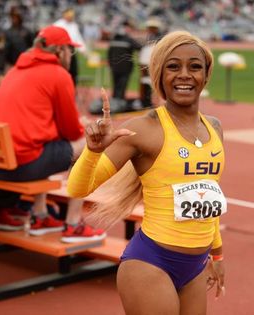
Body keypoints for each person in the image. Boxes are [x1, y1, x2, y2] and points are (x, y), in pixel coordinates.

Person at [67, 30, 226, 314]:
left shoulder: (214, 127)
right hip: (151, 263)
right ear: (159, 75)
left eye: (195, 66)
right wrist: (92, 150)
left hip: (196, 266)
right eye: (173, 66)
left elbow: (208, 196)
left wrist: (218, 254)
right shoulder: (144, 129)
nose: (185, 75)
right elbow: (78, 189)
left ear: (206, 74)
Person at [0, 25, 105, 242]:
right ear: (59, 51)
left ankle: (40, 215)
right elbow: (71, 131)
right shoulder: (58, 74)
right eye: (70, 50)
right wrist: (82, 124)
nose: (71, 55)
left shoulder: (15, 71)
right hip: (18, 166)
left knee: (45, 144)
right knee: (88, 142)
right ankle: (73, 223)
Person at [107, 20, 142, 111]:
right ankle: (119, 106)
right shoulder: (128, 39)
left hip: (114, 68)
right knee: (122, 87)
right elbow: (139, 47)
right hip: (125, 69)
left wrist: (110, 65)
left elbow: (109, 54)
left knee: (115, 86)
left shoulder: (113, 39)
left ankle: (113, 104)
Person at [53, 8, 87, 84]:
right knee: (62, 72)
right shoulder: (58, 24)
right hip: (61, 51)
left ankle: (72, 90)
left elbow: (78, 38)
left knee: (73, 72)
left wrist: (83, 49)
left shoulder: (74, 25)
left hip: (71, 51)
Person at [138, 17, 164, 108]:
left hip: (153, 64)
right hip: (146, 64)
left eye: (152, 28)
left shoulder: (159, 40)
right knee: (145, 84)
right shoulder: (147, 40)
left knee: (155, 84)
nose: (149, 30)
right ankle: (146, 102)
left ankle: (156, 103)